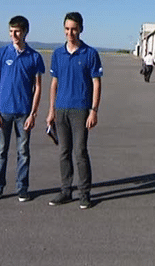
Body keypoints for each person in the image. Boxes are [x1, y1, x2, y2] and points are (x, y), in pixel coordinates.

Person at [0, 16, 45, 203]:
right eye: (11, 31)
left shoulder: (34, 57)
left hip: (23, 112)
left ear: (25, 31)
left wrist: (33, 113)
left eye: (17, 31)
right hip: (3, 112)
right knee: (1, 151)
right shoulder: (1, 54)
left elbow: (38, 87)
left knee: (23, 151)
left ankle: (22, 187)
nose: (13, 35)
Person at [46, 12, 102, 209]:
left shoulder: (90, 54)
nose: (70, 33)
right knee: (63, 151)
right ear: (64, 30)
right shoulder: (57, 54)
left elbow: (96, 83)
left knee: (80, 152)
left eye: (74, 29)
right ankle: (66, 191)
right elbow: (54, 84)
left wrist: (94, 110)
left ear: (81, 29)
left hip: (80, 110)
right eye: (67, 29)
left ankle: (85, 193)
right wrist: (51, 110)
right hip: (61, 109)